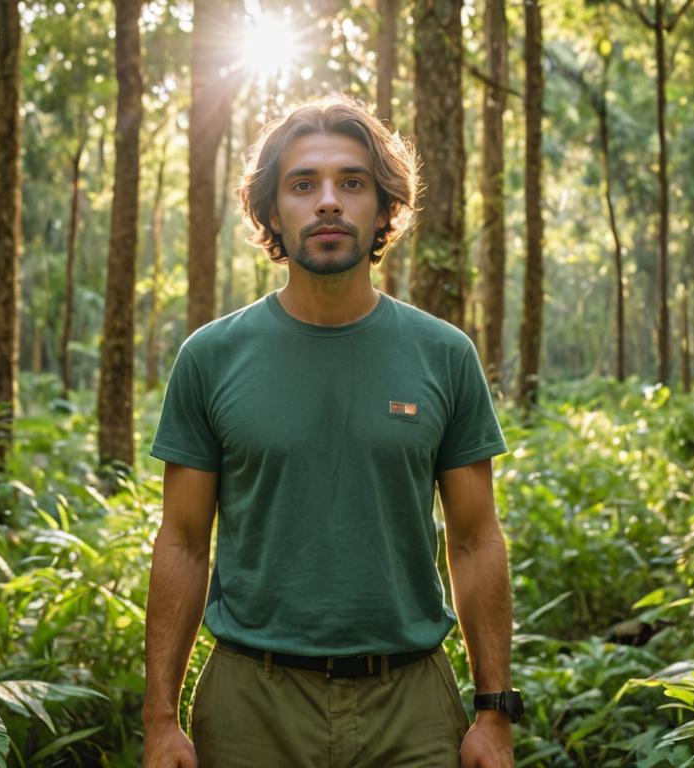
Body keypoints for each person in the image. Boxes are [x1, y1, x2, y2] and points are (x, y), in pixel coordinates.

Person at [143, 96, 519, 768]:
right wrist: (159, 719)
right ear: (271, 212)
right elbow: (183, 541)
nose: (328, 202)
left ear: (383, 209)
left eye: (352, 183)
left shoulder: (444, 354)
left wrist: (494, 713)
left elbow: (474, 538)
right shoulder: (211, 357)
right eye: (302, 184)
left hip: (410, 706)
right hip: (249, 704)